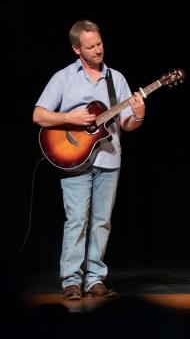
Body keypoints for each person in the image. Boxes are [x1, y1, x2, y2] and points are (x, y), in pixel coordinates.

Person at [32, 20, 146, 300]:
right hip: (74, 158)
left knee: (101, 222)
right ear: (76, 49)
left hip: (109, 159)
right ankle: (71, 281)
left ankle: (95, 279)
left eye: (100, 43)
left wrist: (139, 115)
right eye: (91, 46)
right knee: (76, 220)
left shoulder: (116, 79)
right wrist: (69, 117)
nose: (98, 49)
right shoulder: (63, 78)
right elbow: (39, 115)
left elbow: (126, 124)